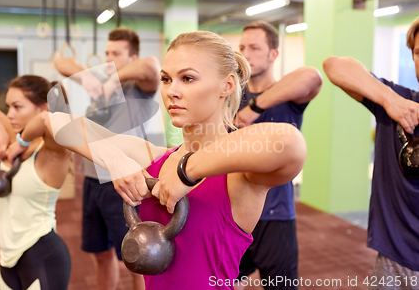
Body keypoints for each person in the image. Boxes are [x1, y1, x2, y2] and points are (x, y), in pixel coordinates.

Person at [45, 30, 307, 290]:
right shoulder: (156, 158)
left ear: (226, 86)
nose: (172, 91)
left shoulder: (240, 177)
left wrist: (185, 172)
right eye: (167, 79)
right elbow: (55, 122)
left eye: (188, 78)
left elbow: (290, 142)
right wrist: (115, 161)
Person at [53, 27, 160, 290]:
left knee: (136, 259)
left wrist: (113, 80)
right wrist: (89, 78)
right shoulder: (98, 83)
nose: (109, 58)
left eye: (117, 53)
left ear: (132, 57)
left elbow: (152, 66)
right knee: (100, 254)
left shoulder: (139, 88)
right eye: (107, 52)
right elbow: (60, 61)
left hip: (124, 181)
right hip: (93, 181)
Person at [323, 17, 419, 290]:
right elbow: (335, 66)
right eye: (418, 53)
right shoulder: (398, 103)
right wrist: (390, 100)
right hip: (392, 258)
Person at [233, 21, 322, 290]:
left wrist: (255, 107)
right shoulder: (232, 96)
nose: (246, 54)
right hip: (235, 212)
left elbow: (313, 77)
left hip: (276, 216)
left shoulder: (287, 96)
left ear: (273, 54)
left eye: (255, 48)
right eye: (242, 48)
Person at [0, 75, 72, 290]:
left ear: (42, 107)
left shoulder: (53, 152)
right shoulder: (11, 134)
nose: (9, 115)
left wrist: (22, 141)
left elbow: (48, 121)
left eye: (17, 107)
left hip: (42, 255)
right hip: (7, 259)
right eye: (8, 107)